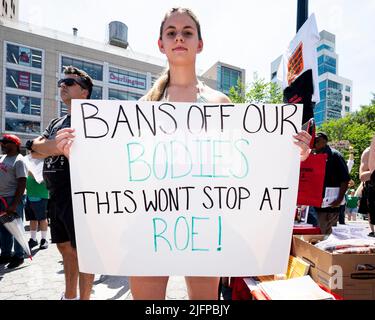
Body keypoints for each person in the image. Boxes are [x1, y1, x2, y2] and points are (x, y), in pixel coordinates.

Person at [54, 8, 311, 300]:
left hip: (205, 221)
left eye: (187, 32)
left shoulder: (219, 102)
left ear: (199, 43)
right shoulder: (142, 106)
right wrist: (81, 154)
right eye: (171, 32)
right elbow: (120, 166)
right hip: (147, 221)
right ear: (160, 44)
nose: (179, 37)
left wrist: (290, 154)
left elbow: (244, 160)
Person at [27, 66, 95, 300]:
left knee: (84, 253)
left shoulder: (93, 119)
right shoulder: (58, 122)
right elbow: (34, 150)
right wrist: (54, 146)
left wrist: (44, 146)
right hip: (54, 193)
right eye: (60, 82)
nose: (62, 86)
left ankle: (84, 298)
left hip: (79, 194)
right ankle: (69, 296)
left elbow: (39, 146)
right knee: (64, 247)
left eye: (69, 82)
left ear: (85, 91)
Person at [313, 132, 350, 234]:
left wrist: (339, 199)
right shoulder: (313, 155)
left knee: (328, 234)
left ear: (325, 141)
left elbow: (345, 179)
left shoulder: (335, 156)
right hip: (316, 204)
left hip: (332, 204)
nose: (314, 143)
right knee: (317, 233)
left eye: (316, 140)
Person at [0, 134, 28, 269]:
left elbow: (22, 183)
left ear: (15, 144)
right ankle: (5, 254)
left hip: (13, 199)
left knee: (16, 228)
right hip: (1, 198)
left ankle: (19, 256)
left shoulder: (19, 160)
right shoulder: (2, 158)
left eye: (5, 142)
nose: (2, 144)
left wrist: (15, 204)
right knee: (4, 228)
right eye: (2, 142)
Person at [25, 172, 49, 250]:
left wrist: (32, 173)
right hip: (29, 195)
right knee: (32, 219)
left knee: (42, 219)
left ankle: (44, 240)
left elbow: (44, 180)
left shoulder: (43, 164)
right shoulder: (31, 162)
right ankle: (33, 239)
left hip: (41, 195)